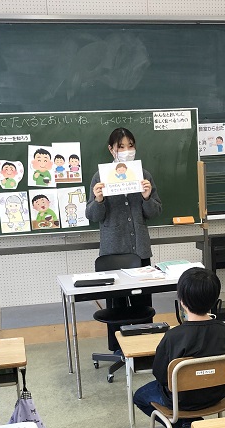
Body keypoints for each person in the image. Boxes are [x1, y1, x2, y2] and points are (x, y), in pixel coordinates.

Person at [132, 267, 225, 428]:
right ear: (215, 300)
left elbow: (161, 375)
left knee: (140, 396)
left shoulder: (173, 336)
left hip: (181, 402)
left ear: (182, 302)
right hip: (216, 396)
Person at [86, 127, 162, 351]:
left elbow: (155, 212)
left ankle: (146, 347)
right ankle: (118, 348)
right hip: (112, 252)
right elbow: (92, 216)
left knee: (142, 303)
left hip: (139, 250)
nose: (127, 150)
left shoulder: (144, 175)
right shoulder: (100, 178)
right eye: (121, 147)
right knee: (116, 304)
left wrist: (147, 197)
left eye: (131, 145)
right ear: (112, 150)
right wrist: (98, 200)